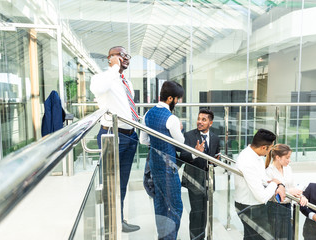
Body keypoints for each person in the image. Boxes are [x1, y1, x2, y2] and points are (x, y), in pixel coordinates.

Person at [90, 46, 140, 232]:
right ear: (110, 58)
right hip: (112, 135)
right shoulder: (103, 78)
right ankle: (109, 225)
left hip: (129, 136)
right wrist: (113, 69)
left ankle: (118, 221)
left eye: (127, 55)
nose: (126, 57)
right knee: (110, 183)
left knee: (122, 183)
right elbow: (97, 88)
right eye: (121, 54)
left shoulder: (126, 82)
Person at [140, 81, 185, 240]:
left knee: (159, 203)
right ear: (170, 98)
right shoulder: (172, 119)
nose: (178, 102)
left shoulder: (147, 114)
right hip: (168, 167)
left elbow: (143, 141)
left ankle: (162, 236)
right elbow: (181, 142)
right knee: (176, 207)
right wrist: (179, 128)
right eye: (177, 99)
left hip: (154, 164)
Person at [234, 128, 286, 240]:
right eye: (270, 148)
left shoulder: (256, 156)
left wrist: (278, 184)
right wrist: (275, 183)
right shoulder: (248, 161)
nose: (270, 152)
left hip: (252, 206)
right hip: (250, 207)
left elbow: (264, 179)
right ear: (263, 147)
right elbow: (262, 197)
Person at [179, 108, 220, 240]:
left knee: (205, 211)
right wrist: (195, 153)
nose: (199, 122)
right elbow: (183, 157)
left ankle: (203, 236)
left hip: (209, 180)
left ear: (210, 123)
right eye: (198, 119)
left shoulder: (215, 138)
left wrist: (216, 162)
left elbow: (215, 157)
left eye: (204, 119)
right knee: (197, 212)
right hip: (194, 179)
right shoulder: (189, 136)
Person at [265, 144, 308, 239]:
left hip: (288, 207)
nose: (290, 160)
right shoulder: (269, 171)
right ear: (277, 157)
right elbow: (269, 194)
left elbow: (292, 187)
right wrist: (289, 192)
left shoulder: (288, 168)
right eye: (287, 158)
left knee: (288, 235)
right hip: (274, 208)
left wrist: (301, 196)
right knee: (276, 235)